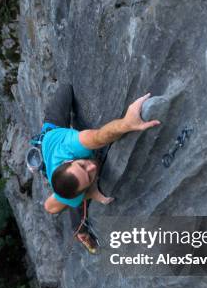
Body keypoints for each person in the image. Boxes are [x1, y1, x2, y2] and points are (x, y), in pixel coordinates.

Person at [37, 84, 161, 251]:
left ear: (70, 161)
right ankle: (81, 231)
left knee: (66, 89)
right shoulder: (72, 195)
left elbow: (100, 136)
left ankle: (81, 223)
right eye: (88, 177)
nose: (91, 167)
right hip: (64, 180)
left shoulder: (71, 146)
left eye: (82, 165)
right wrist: (90, 194)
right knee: (77, 202)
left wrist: (127, 123)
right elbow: (49, 207)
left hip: (51, 135)